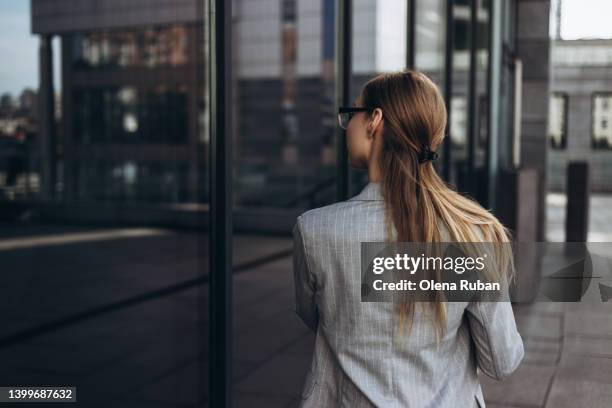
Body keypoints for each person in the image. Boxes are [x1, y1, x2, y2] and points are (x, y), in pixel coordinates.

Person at [292, 70, 524, 408]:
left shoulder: (314, 229)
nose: (347, 126)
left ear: (375, 121)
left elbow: (313, 315)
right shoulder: (473, 233)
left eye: (351, 114)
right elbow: (501, 361)